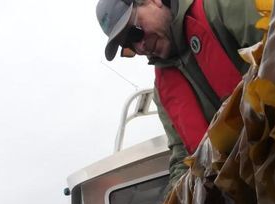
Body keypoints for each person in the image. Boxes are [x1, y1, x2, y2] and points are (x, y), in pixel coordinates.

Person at [96, 0, 263, 188]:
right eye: (129, 46)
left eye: (135, 32)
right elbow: (183, 159)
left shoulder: (221, 6)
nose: (140, 47)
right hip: (255, 189)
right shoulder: (163, 92)